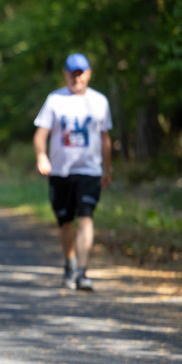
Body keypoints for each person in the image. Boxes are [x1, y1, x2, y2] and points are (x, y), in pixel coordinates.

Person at [33, 52, 112, 290]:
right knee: (65, 221)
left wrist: (108, 169)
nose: (76, 78)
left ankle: (83, 271)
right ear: (65, 74)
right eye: (72, 74)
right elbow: (40, 134)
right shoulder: (55, 100)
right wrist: (41, 155)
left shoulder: (100, 101)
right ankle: (69, 262)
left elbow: (105, 138)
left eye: (80, 73)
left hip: (89, 170)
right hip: (60, 172)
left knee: (86, 217)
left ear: (88, 74)